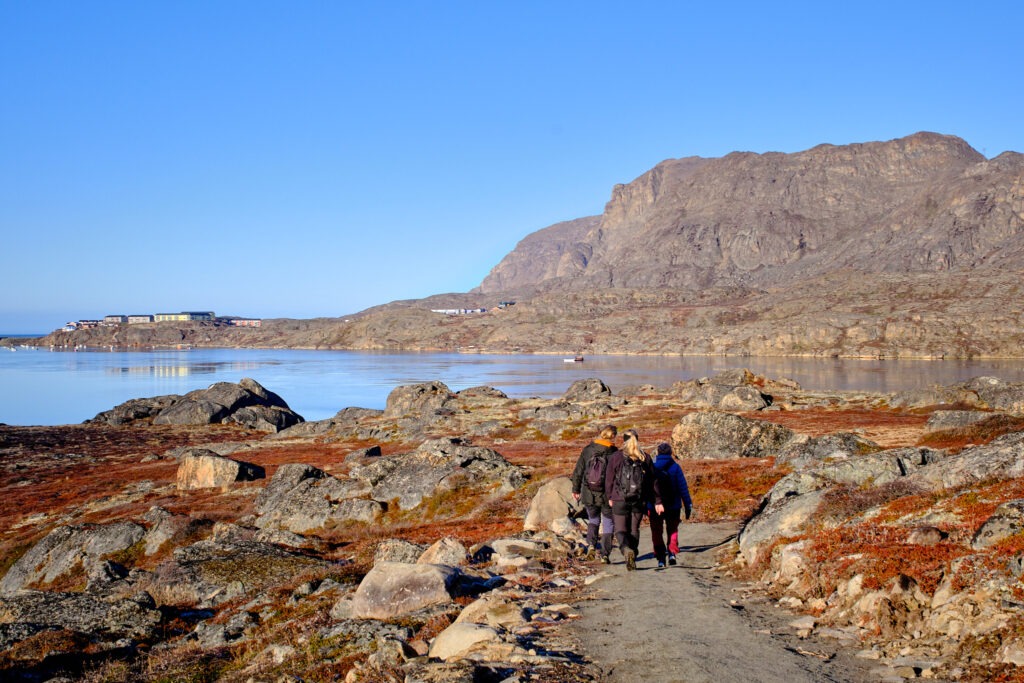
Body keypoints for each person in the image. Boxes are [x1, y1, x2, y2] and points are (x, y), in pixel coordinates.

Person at [604, 428, 654, 571]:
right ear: (637, 439)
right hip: (639, 499)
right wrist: (653, 500)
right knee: (634, 529)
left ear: (623, 440)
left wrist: (610, 496)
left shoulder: (616, 457)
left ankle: (626, 549)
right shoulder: (645, 457)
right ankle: (633, 553)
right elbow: (652, 481)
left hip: (619, 498)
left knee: (620, 529)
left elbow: (609, 479)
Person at [570, 424, 618, 563]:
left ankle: (591, 545)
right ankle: (605, 554)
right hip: (607, 495)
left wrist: (575, 489)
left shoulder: (588, 450)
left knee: (593, 520)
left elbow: (578, 470)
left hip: (588, 492)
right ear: (613, 436)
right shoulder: (615, 453)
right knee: (608, 522)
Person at [649, 442, 693, 569]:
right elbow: (683, 487)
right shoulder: (676, 467)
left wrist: (646, 505)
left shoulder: (653, 467)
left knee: (656, 531)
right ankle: (672, 552)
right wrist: (688, 504)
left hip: (655, 506)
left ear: (657, 453)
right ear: (670, 453)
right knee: (672, 529)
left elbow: (648, 488)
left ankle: (660, 557)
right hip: (673, 505)